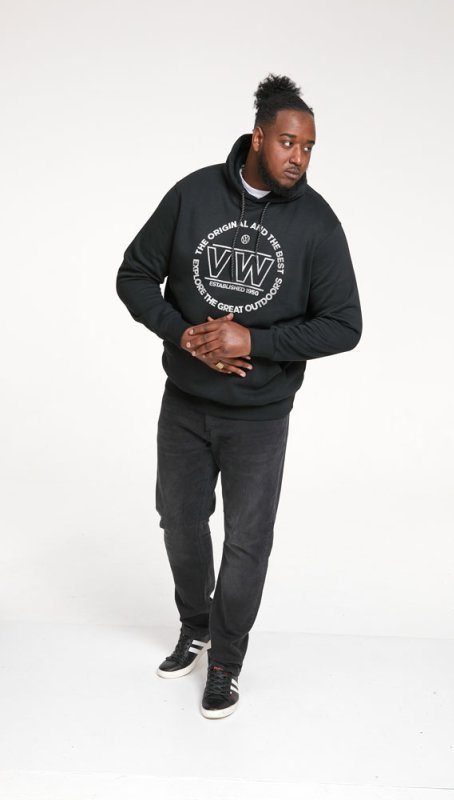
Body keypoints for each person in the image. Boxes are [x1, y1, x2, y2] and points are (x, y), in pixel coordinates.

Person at [116, 73, 362, 719]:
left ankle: (226, 659)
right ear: (258, 137)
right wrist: (184, 334)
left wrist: (253, 340)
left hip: (259, 417)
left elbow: (345, 325)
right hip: (185, 403)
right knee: (178, 521)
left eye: (308, 147)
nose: (298, 157)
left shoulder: (317, 223)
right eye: (287, 142)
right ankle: (195, 624)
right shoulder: (194, 194)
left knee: (247, 542)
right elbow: (135, 273)